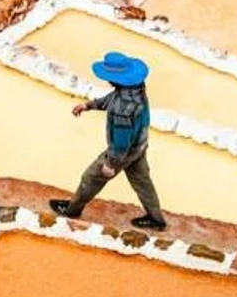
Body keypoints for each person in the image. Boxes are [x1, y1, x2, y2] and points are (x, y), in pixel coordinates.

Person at [49, 51, 167, 231]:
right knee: (142, 182)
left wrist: (111, 165)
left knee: (91, 177)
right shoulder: (137, 89)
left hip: (124, 152)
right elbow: (111, 98)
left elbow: (120, 144)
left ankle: (72, 210)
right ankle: (156, 219)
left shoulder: (122, 109)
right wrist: (88, 105)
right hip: (140, 145)